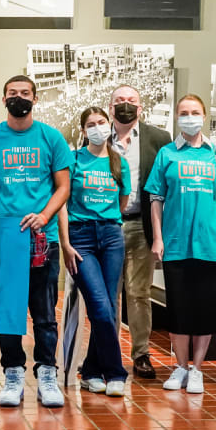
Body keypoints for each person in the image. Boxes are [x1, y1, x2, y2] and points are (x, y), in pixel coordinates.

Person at [0, 76, 72, 409]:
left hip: (45, 240)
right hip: (7, 242)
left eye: (25, 94)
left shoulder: (51, 138)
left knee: (44, 314)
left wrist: (44, 216)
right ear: (3, 100)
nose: (19, 98)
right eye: (12, 93)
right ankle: (13, 372)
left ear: (35, 98)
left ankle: (47, 374)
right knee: (9, 313)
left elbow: (63, 188)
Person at [146, 94, 216, 396]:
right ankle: (180, 367)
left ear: (204, 116)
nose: (190, 117)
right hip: (175, 242)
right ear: (176, 118)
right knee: (179, 307)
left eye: (195, 112)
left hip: (209, 242)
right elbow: (155, 198)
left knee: (205, 307)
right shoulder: (167, 154)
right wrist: (158, 237)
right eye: (184, 112)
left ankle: (197, 369)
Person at [61, 107, 130, 398]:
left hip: (112, 236)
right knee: (100, 306)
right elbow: (62, 203)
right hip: (81, 238)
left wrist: (108, 220)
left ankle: (90, 371)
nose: (97, 128)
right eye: (91, 124)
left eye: (101, 122)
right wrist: (66, 243)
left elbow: (123, 201)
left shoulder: (119, 163)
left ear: (109, 125)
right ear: (83, 130)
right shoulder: (74, 161)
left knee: (110, 308)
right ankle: (116, 372)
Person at [108, 85, 172, 380]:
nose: (125, 105)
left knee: (138, 293)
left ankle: (141, 354)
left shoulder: (159, 139)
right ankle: (106, 353)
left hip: (140, 224)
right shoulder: (96, 135)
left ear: (140, 107)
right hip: (105, 225)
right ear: (110, 107)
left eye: (131, 101)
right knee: (107, 294)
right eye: (119, 101)